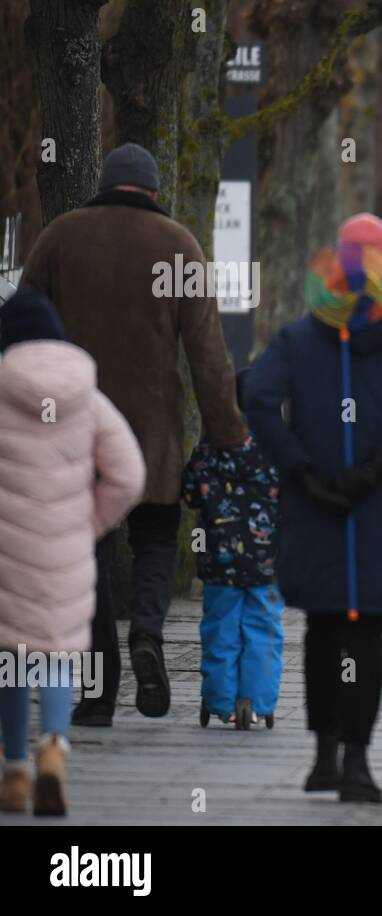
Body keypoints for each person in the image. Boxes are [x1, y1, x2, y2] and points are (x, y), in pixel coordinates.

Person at [20, 143, 247, 725]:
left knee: (87, 554)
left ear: (105, 183)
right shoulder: (178, 247)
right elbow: (209, 358)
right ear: (153, 191)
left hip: (71, 424)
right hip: (151, 431)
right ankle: (147, 630)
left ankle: (98, 694)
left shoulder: (60, 237)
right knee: (154, 537)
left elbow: (19, 330)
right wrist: (227, 436)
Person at [245, 213, 382, 803]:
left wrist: (298, 465)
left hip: (314, 505)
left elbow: (258, 399)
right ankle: (359, 762)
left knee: (323, 628)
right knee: (364, 635)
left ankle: (323, 758)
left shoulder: (300, 336)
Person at [0, 290, 145, 815]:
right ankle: (55, 752)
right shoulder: (89, 397)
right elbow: (129, 474)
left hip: (7, 557)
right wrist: (89, 524)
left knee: (12, 659)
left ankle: (15, 768)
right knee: (57, 655)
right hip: (65, 554)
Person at [180, 370, 284, 728]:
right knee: (264, 629)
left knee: (220, 628)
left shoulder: (210, 448)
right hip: (266, 560)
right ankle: (255, 703)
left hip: (218, 560)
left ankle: (222, 702)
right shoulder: (279, 448)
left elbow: (191, 493)